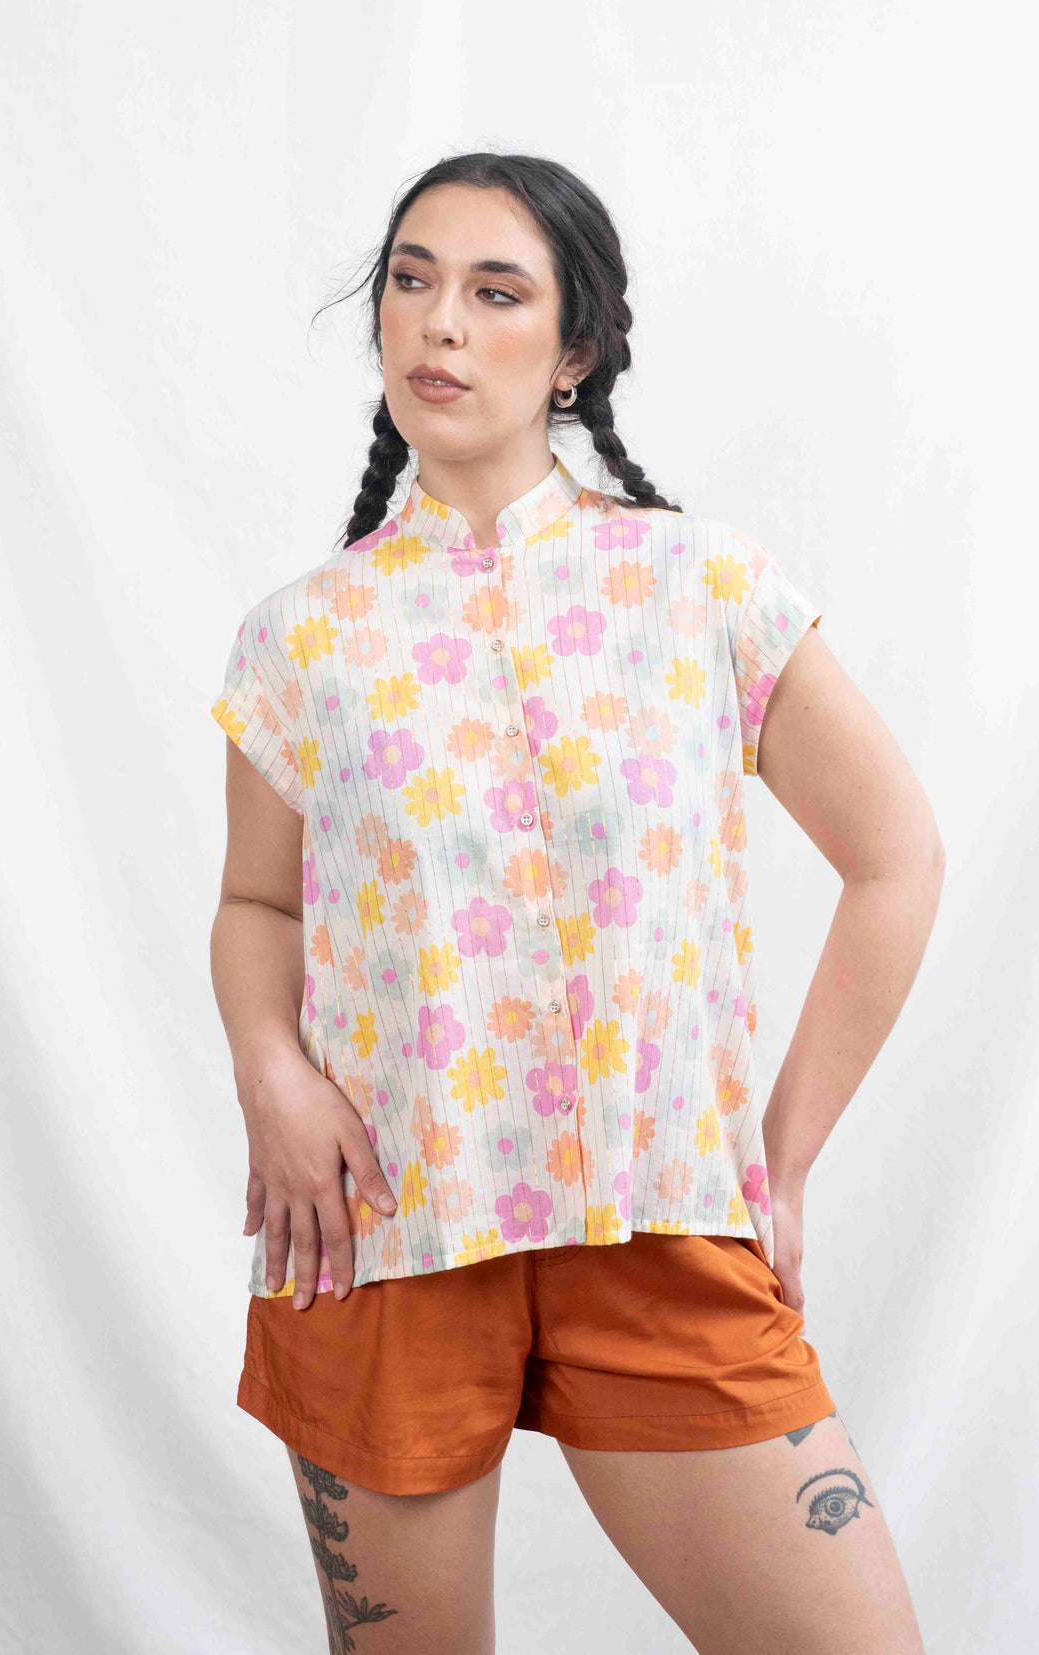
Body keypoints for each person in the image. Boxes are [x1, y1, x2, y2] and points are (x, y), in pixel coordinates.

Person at [209, 150, 941, 1654]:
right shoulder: (302, 640)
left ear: (577, 350)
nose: (441, 323)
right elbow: (256, 905)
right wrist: (271, 1072)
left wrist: (783, 1159)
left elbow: (897, 858)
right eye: (413, 280)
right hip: (388, 1226)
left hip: (659, 1211)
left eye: (496, 292)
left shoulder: (700, 588)